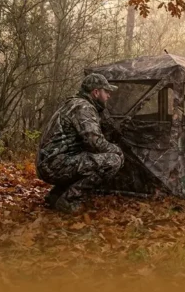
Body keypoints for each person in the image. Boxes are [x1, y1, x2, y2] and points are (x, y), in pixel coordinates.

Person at [36, 73, 125, 214]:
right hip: (54, 165)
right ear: (96, 92)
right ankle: (69, 199)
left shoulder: (74, 103)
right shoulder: (84, 107)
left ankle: (55, 196)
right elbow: (95, 143)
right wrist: (117, 150)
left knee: (85, 159)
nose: (109, 96)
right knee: (113, 160)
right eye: (106, 92)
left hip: (50, 162)